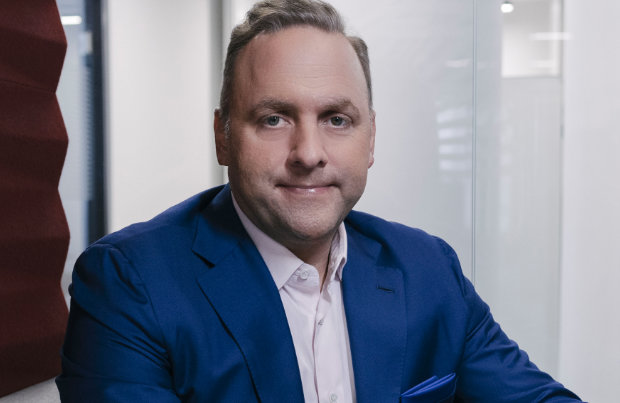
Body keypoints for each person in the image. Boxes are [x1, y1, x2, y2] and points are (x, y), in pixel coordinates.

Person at [56, 0, 581, 402]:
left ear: (370, 139)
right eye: (273, 118)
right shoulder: (129, 285)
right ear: (223, 137)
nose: (308, 153)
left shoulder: (428, 269)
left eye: (337, 119)